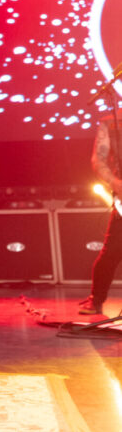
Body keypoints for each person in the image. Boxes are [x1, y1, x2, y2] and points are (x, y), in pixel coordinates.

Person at [78, 111, 122, 315]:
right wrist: (115, 183)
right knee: (112, 251)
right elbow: (99, 160)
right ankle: (96, 298)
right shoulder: (112, 122)